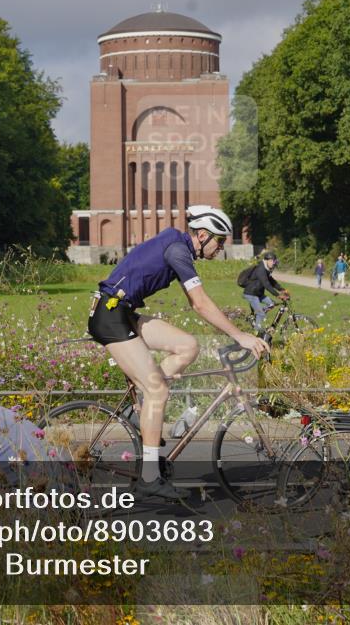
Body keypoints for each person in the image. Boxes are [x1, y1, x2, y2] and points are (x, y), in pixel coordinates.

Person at [89, 206, 269, 500]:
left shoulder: (178, 248)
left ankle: (140, 411)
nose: (221, 248)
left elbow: (195, 303)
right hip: (110, 316)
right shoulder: (178, 250)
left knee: (188, 346)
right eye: (219, 241)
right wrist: (240, 335)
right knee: (159, 391)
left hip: (121, 312)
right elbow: (199, 303)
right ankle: (149, 477)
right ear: (201, 235)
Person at [243, 252, 290, 333]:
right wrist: (278, 295)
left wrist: (282, 289)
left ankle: (256, 315)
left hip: (258, 293)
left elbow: (272, 282)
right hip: (251, 294)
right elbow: (267, 284)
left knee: (272, 304)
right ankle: (257, 331)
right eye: (271, 261)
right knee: (261, 314)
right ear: (266, 260)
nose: (273, 263)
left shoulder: (267, 270)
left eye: (273, 261)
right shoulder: (261, 269)